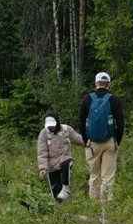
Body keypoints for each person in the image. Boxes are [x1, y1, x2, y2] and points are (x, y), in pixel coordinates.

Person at [78, 72, 125, 201]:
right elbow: (120, 124)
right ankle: (106, 206)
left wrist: (86, 140)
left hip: (92, 143)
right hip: (109, 141)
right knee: (108, 177)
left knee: (94, 176)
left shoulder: (87, 99)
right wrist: (117, 141)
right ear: (109, 84)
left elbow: (81, 122)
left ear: (95, 83)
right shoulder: (114, 99)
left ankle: (94, 205)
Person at [36, 111, 85, 201]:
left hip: (65, 159)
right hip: (52, 165)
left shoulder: (66, 129)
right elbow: (42, 153)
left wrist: (90, 142)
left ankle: (66, 188)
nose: (51, 128)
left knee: (66, 164)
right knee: (57, 195)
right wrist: (43, 168)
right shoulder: (43, 134)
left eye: (53, 125)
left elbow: (77, 138)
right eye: (49, 126)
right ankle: (61, 208)